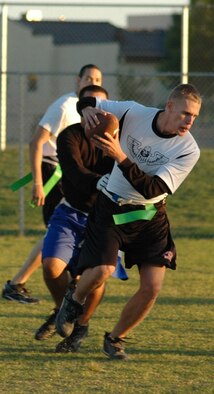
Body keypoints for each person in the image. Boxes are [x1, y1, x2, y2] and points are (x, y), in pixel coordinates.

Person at [56, 83, 202, 360]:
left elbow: (152, 189)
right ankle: (73, 302)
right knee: (101, 271)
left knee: (152, 287)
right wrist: (86, 111)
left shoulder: (188, 150)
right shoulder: (134, 112)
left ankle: (115, 339)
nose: (189, 121)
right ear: (169, 106)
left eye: (194, 116)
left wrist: (120, 156)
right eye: (185, 113)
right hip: (112, 205)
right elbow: (87, 100)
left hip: (149, 215)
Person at [35, 84, 128, 353]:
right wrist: (105, 181)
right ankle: (61, 309)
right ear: (83, 111)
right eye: (91, 109)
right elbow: (76, 177)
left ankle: (81, 327)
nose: (98, 116)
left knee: (96, 274)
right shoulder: (69, 136)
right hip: (71, 211)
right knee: (51, 267)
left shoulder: (118, 142)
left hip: (103, 217)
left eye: (104, 109)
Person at [2, 64, 103, 304]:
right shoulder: (65, 105)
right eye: (88, 77)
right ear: (77, 81)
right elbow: (36, 142)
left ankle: (20, 283)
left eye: (97, 78)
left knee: (58, 234)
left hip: (71, 175)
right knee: (57, 233)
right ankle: (20, 284)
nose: (93, 82)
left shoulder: (97, 107)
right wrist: (38, 182)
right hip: (55, 174)